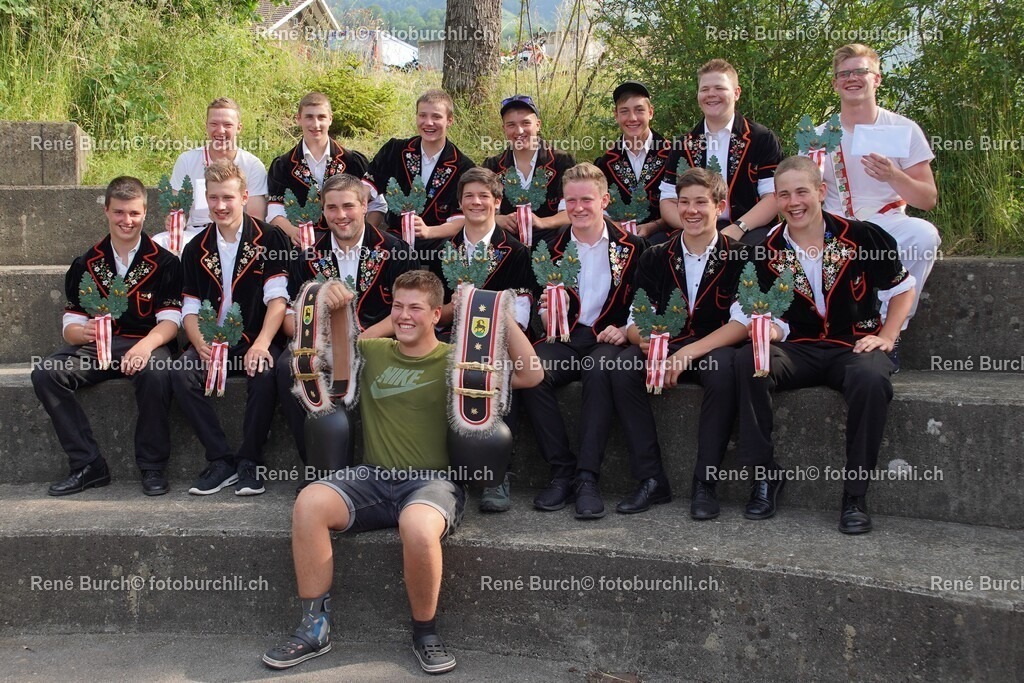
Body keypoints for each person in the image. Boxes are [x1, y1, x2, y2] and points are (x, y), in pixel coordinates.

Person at [262, 270, 542, 673]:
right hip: (372, 477)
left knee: (417, 526)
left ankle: (425, 632)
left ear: (435, 315)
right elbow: (330, 356)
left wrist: (501, 316)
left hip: (432, 482)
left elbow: (532, 373)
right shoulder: (374, 352)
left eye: (415, 308)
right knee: (309, 502)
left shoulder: (457, 361)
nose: (404, 315)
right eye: (397, 306)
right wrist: (337, 308)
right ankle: (313, 626)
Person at [731, 155, 916, 534]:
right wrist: (771, 332)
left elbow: (903, 289)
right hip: (799, 347)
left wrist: (886, 336)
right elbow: (760, 309)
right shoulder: (763, 250)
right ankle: (765, 476)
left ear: (821, 191)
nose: (793, 202)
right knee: (747, 361)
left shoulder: (863, 235)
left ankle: (854, 496)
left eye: (802, 191)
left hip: (854, 345)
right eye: (784, 194)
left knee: (870, 380)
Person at [612, 168, 750, 518]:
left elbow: (743, 322)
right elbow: (633, 319)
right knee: (621, 367)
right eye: (683, 202)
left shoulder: (740, 256)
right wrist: (648, 343)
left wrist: (688, 352)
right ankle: (651, 479)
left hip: (710, 348)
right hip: (666, 344)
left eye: (701, 202)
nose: (691, 210)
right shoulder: (655, 255)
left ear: (718, 207)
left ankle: (705, 482)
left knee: (723, 370)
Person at [32, 177, 182, 497]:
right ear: (106, 211)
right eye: (119, 212)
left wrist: (144, 347)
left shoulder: (165, 262)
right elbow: (70, 324)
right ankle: (88, 464)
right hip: (97, 346)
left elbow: (171, 321)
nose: (127, 221)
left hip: (148, 343)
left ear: (145, 212)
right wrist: (80, 332)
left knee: (157, 372)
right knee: (46, 373)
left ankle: (152, 466)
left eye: (134, 213)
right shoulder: (86, 263)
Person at [520, 162, 647, 519]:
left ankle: (588, 477)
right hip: (565, 336)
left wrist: (625, 330)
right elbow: (535, 301)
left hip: (608, 337)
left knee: (599, 370)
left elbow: (644, 301)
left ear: (604, 200)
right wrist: (546, 312)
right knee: (530, 371)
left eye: (586, 200)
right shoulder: (549, 247)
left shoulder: (633, 247)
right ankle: (561, 470)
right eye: (570, 200)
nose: (577, 208)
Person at [277, 173, 418, 478]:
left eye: (348, 206)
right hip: (323, 342)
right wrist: (319, 339)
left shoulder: (397, 250)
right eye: (331, 208)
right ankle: (318, 467)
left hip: (379, 339)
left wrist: (360, 340)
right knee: (286, 364)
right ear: (323, 211)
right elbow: (290, 317)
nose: (340, 216)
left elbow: (407, 311)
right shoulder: (307, 256)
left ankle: (387, 470)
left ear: (365, 205)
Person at [171, 160, 289, 497]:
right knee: (180, 373)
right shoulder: (195, 248)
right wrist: (199, 343)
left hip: (254, 335)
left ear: (244, 196)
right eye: (213, 198)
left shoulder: (270, 237)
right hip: (211, 336)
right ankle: (220, 460)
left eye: (227, 197)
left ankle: (250, 460)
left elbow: (277, 299)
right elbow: (189, 308)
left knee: (264, 372)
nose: (220, 206)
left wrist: (263, 344)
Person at [817, 44, 939, 367]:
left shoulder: (903, 128)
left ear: (877, 79)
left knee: (924, 235)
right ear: (835, 83)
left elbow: (927, 199)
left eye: (861, 72)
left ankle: (889, 334)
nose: (852, 78)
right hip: (836, 226)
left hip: (887, 224)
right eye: (844, 74)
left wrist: (894, 176)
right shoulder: (818, 136)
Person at [432, 167, 535, 512]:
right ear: (460, 202)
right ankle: (448, 470)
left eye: (483, 196)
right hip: (450, 333)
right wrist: (453, 306)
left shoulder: (516, 251)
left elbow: (521, 309)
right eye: (469, 196)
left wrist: (491, 317)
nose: (476, 202)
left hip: (500, 336)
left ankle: (496, 473)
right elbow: (434, 312)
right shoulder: (443, 249)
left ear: (497, 201)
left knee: (500, 369)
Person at [659, 59, 784, 245]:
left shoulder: (761, 138)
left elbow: (774, 197)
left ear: (736, 93)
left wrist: (738, 228)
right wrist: (695, 226)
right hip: (695, 227)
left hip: (748, 228)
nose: (711, 94)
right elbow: (667, 201)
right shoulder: (682, 144)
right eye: (705, 89)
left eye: (719, 88)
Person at [365, 89, 475, 264]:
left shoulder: (464, 166)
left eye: (436, 117)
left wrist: (428, 231)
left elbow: (463, 219)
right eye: (422, 115)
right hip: (395, 239)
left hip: (437, 242)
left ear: (450, 121)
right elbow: (368, 186)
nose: (428, 123)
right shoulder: (394, 150)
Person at [266, 92, 385, 244]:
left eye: (321, 117)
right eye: (309, 117)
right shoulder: (283, 165)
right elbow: (275, 211)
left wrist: (362, 235)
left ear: (330, 119)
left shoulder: (353, 161)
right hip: (303, 249)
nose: (315, 124)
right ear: (298, 119)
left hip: (351, 245)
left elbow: (377, 204)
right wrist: (295, 233)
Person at [154, 97, 268, 252]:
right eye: (214, 124)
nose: (220, 130)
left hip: (235, 234)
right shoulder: (187, 160)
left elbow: (256, 218)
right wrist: (175, 220)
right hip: (194, 234)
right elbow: (176, 208)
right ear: (206, 126)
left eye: (227, 125)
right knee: (158, 243)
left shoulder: (252, 165)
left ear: (239, 127)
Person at [480, 95, 574, 244]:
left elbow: (573, 212)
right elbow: (477, 208)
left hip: (552, 239)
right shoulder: (493, 165)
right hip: (507, 242)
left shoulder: (561, 161)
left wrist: (542, 222)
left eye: (526, 123)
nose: (519, 131)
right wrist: (497, 219)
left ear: (538, 124)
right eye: (511, 125)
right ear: (503, 128)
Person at [594, 81, 673, 244]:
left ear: (650, 112)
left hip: (665, 236)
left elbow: (685, 203)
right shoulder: (606, 161)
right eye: (624, 111)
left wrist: (654, 226)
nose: (632, 118)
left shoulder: (672, 154)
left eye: (639, 110)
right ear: (616, 115)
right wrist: (612, 225)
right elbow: (595, 204)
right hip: (618, 237)